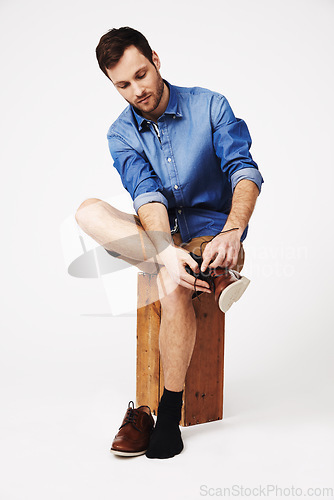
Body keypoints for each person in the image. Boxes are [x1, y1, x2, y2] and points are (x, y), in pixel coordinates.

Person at [75, 26, 264, 460]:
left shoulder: (210, 105)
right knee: (88, 211)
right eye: (122, 84)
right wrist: (164, 249)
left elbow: (245, 170)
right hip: (160, 234)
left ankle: (168, 412)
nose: (136, 90)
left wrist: (234, 230)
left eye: (141, 74)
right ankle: (209, 273)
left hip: (211, 230)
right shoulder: (120, 133)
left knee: (174, 286)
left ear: (155, 59)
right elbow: (146, 194)